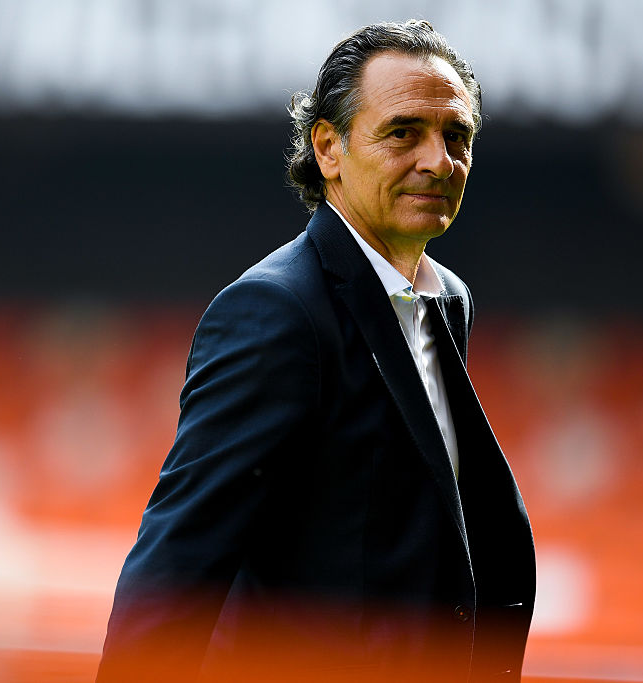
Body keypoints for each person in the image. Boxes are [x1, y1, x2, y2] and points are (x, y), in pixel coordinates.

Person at [96, 20, 535, 683]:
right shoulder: (275, 312)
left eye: (457, 136)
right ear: (328, 148)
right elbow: (178, 563)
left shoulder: (449, 298)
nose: (438, 160)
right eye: (403, 132)